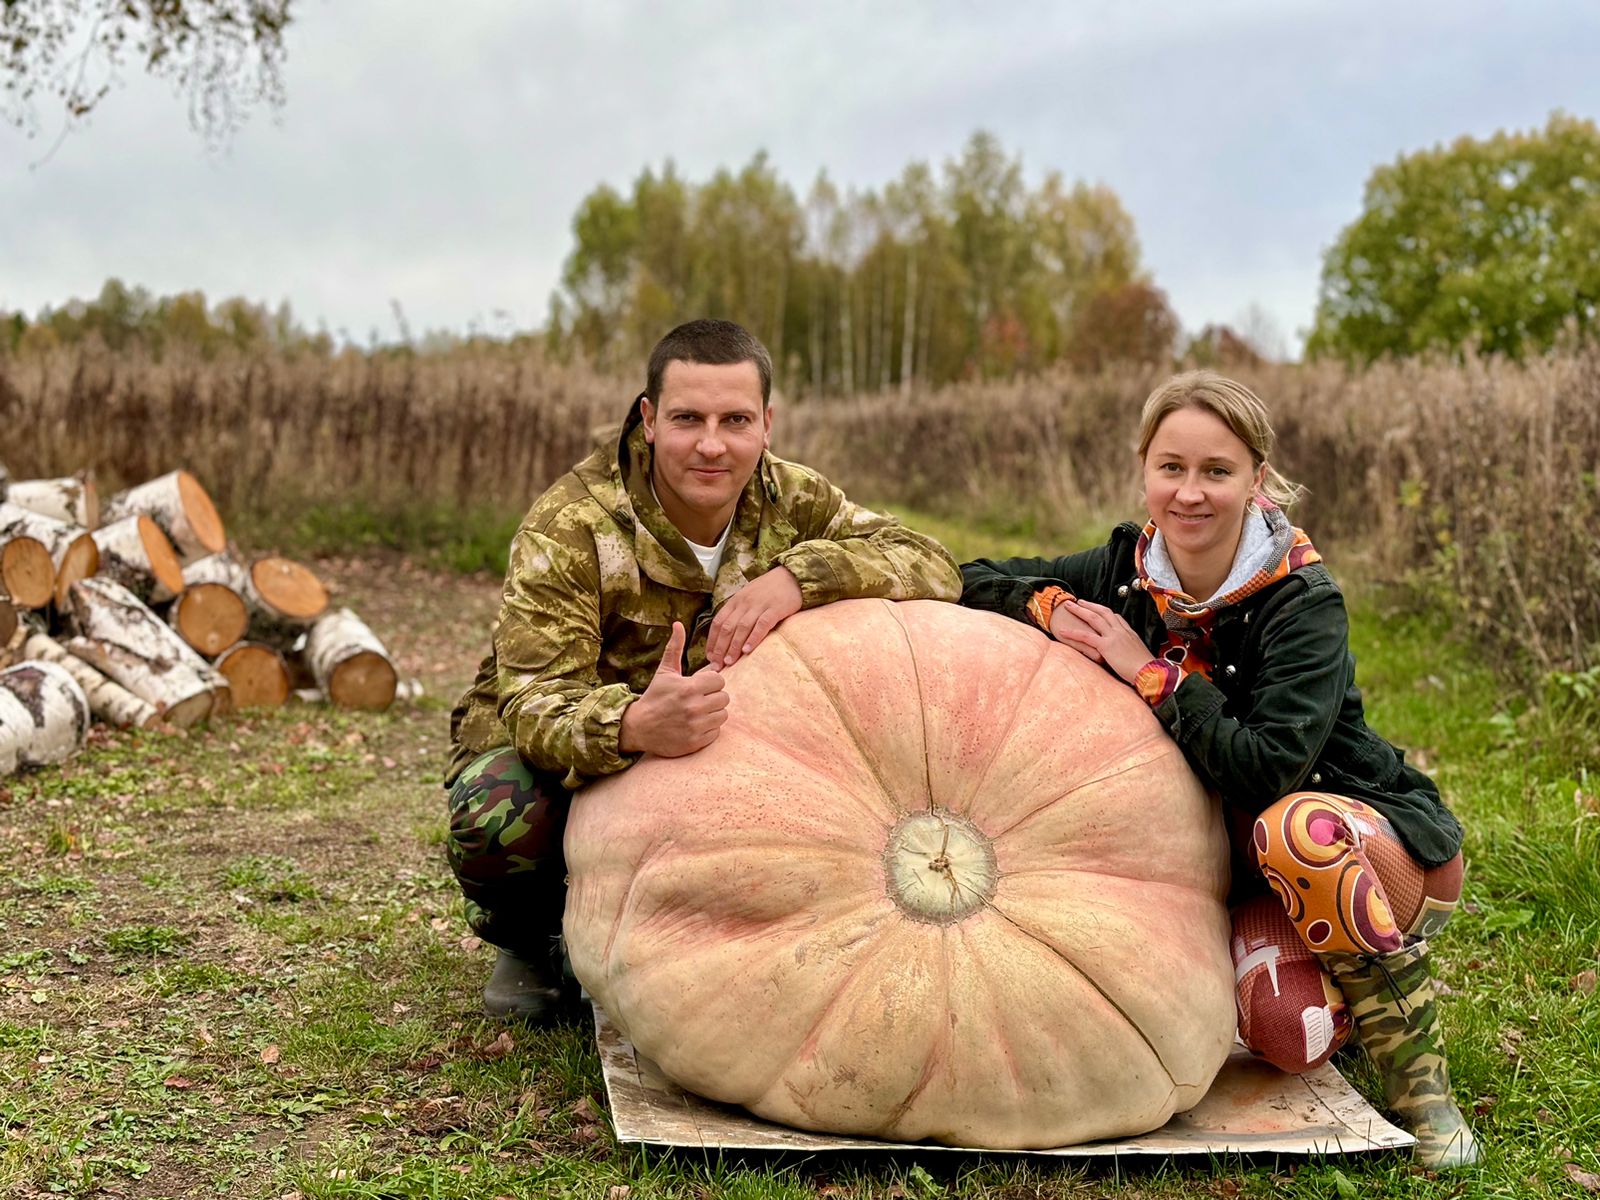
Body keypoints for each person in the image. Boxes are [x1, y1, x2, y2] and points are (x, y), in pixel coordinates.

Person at [958, 370, 1476, 1169]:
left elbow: (1265, 772)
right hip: (1249, 879)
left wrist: (1151, 673)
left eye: (1217, 471)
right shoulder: (1126, 571)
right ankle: (1341, 987)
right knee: (1287, 1035)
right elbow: (971, 576)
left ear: (1256, 479)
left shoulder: (1303, 602)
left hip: (1365, 845)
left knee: (1292, 830)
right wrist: (1050, 606)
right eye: (1171, 467)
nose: (1190, 492)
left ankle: (1425, 1094)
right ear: (1144, 469)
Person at [444, 318, 962, 1024]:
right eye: (688, 418)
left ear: (767, 424)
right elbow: (534, 702)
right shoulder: (571, 524)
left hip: (717, 747)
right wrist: (631, 724)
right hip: (586, 753)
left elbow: (930, 562)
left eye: (735, 420)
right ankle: (531, 938)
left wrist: (799, 578)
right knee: (501, 811)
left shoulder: (792, 498)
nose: (712, 445)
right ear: (650, 419)